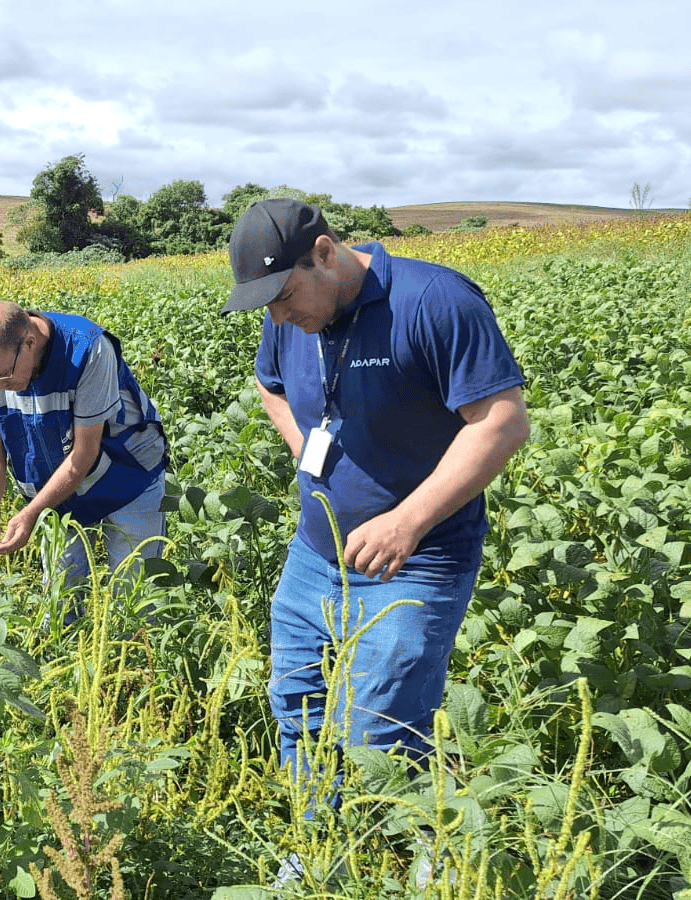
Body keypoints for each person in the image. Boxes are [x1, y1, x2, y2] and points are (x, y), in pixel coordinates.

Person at [222, 198, 530, 802]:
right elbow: (270, 384)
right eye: (269, 306)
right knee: (297, 707)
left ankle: (423, 858)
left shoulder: (433, 301)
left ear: (324, 253)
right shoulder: (286, 315)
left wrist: (406, 521)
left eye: (285, 297)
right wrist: (307, 454)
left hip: (414, 563)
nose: (279, 317)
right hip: (315, 554)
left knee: (381, 731)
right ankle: (317, 854)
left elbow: (501, 422)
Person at [0, 300, 168, 613]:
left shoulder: (87, 351)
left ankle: (139, 657)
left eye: (2, 376)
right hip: (58, 488)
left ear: (29, 343)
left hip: (128, 474)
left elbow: (84, 454)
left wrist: (31, 513)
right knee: (61, 600)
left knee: (135, 596)